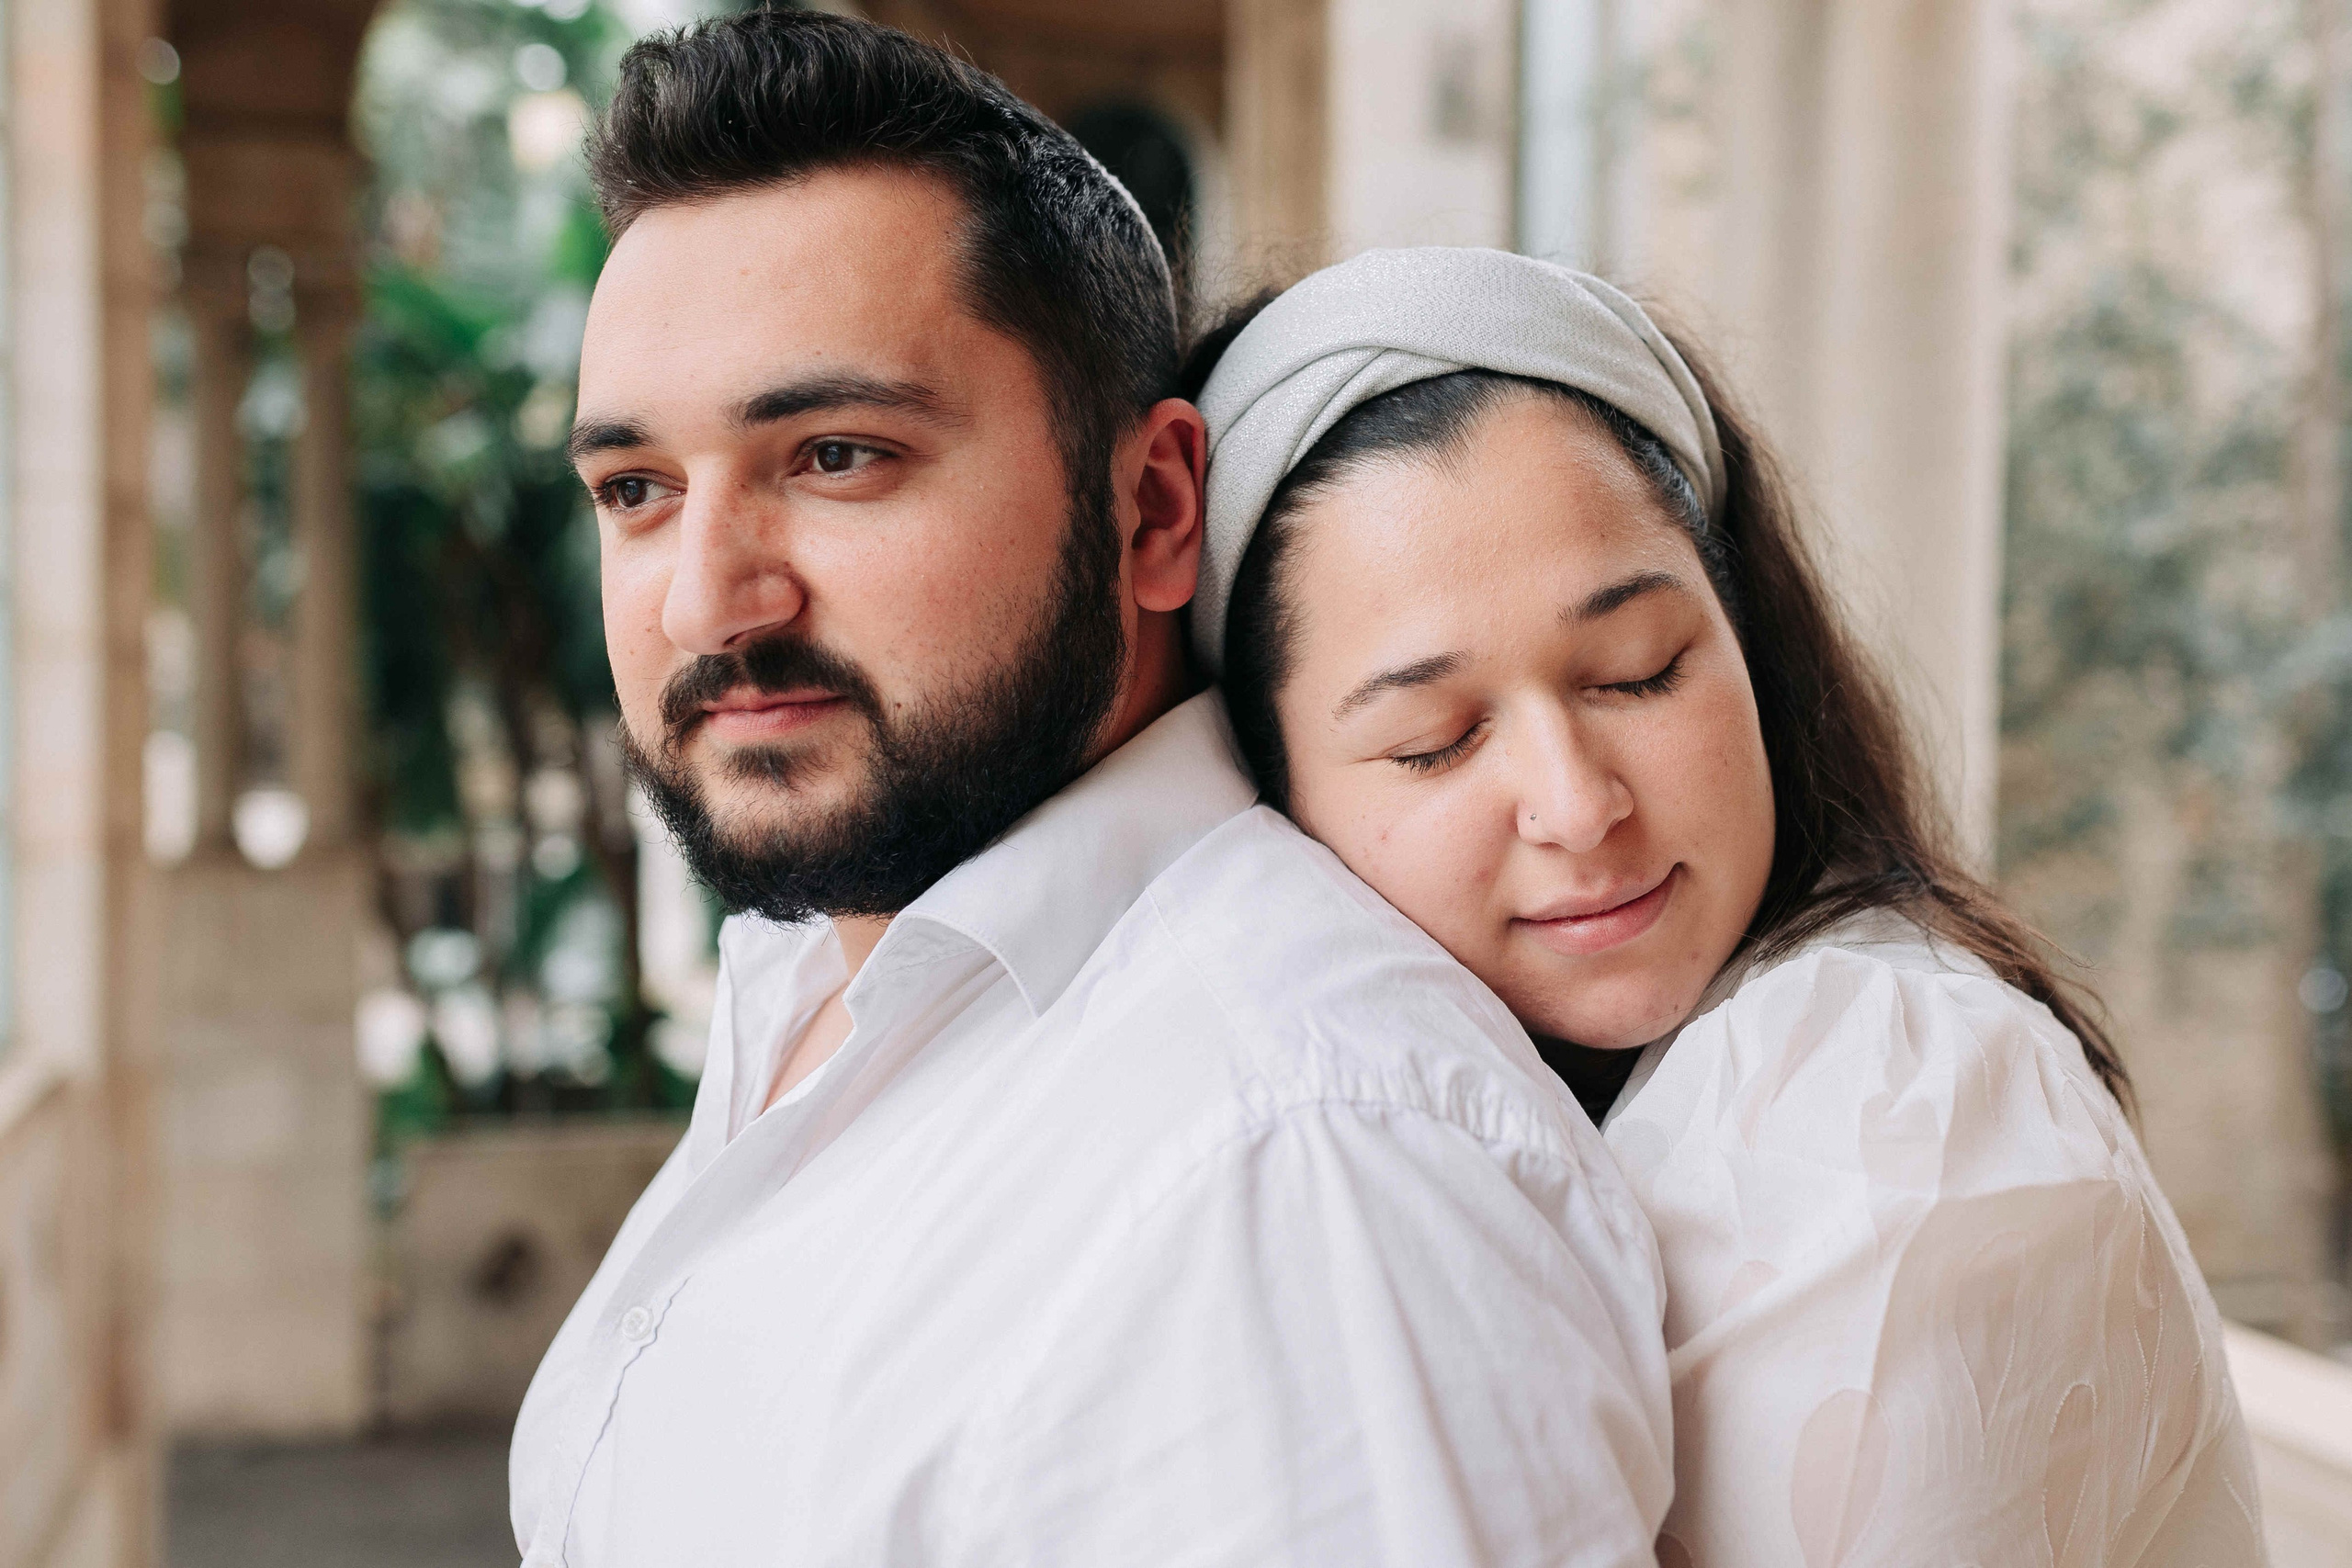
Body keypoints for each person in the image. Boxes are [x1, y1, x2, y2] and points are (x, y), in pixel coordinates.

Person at [513, 16, 1673, 1566]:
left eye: (837, 456)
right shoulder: (823, 974)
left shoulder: (1300, 1164)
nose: (705, 601)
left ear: (1152, 507)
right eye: (637, 492)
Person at [1185, 248, 2267, 1568]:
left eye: (1639, 674)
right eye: (1435, 740)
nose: (1575, 806)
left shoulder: (1885, 1096)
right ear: (1274, 792)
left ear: (1747, 638)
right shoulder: (1367, 1134)